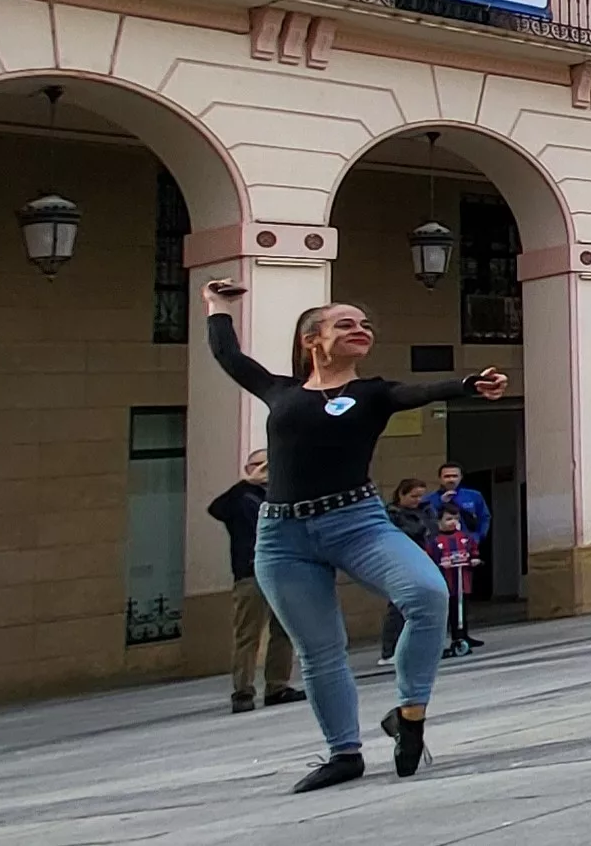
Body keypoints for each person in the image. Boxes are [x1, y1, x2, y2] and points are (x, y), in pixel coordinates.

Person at [201, 281, 506, 791]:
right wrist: (219, 306)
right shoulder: (282, 392)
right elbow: (229, 356)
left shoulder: (373, 393)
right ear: (311, 340)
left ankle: (409, 713)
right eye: (345, 323)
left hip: (357, 524)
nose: (360, 330)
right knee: (320, 651)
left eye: (365, 325)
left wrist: (470, 383)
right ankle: (344, 753)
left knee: (427, 595)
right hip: (283, 537)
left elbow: (420, 392)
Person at [206, 449, 303, 715]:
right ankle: (243, 690)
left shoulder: (284, 496)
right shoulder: (241, 497)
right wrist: (246, 483)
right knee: (247, 635)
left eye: (267, 465)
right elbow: (217, 509)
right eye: (257, 465)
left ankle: (277, 685)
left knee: (284, 631)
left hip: (284, 571)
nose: (263, 471)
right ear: (248, 469)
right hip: (250, 574)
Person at [376, 480, 436, 667]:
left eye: (420, 496)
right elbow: (405, 532)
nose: (417, 500)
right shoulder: (392, 514)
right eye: (413, 496)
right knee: (397, 607)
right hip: (400, 560)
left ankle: (418, 649)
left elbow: (433, 529)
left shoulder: (426, 510)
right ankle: (389, 650)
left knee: (424, 603)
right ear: (401, 495)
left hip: (422, 558)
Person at [428, 511, 480, 659]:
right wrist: (440, 563)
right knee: (444, 614)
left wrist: (474, 559)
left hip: (461, 583)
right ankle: (439, 644)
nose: (452, 522)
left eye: (455, 519)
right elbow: (429, 557)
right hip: (444, 583)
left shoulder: (464, 538)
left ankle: (461, 638)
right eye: (448, 519)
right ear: (439, 521)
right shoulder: (434, 540)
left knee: (460, 611)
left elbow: (473, 551)